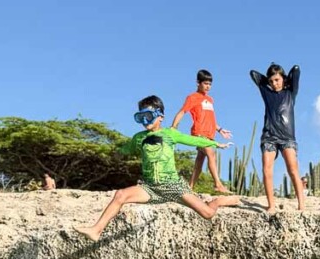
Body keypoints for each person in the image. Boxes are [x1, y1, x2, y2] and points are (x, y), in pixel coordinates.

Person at [75, 96, 239, 241]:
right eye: (141, 117)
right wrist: (115, 153)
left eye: (148, 116)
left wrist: (216, 143)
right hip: (149, 187)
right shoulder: (138, 138)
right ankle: (96, 230)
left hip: (173, 186)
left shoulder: (170, 134)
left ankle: (218, 201)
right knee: (120, 195)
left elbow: (193, 140)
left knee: (208, 214)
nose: (145, 121)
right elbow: (126, 150)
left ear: (160, 116)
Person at [250, 63, 306, 213]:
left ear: (283, 79)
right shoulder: (266, 92)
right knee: (267, 170)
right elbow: (253, 73)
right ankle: (271, 205)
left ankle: (301, 204)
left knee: (293, 170)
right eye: (271, 81)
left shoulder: (291, 93)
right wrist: (268, 78)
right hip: (269, 136)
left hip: (287, 137)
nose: (274, 83)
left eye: (277, 80)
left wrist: (287, 78)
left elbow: (296, 70)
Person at [170, 69, 233, 194]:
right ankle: (218, 184)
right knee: (211, 153)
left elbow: (209, 118)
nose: (208, 86)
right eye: (205, 83)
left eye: (210, 84)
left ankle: (190, 187)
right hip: (199, 133)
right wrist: (173, 127)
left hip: (210, 134)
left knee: (199, 162)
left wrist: (220, 130)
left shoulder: (210, 99)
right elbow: (182, 111)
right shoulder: (192, 97)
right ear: (198, 83)